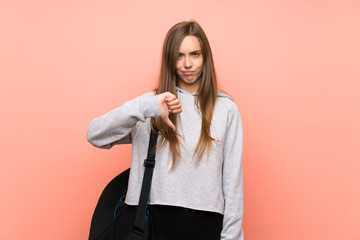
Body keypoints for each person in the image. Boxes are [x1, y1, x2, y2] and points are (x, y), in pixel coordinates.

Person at [87, 21, 244, 240]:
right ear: (169, 59)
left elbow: (232, 183)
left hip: (205, 226)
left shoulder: (226, 109)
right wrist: (148, 106)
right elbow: (95, 134)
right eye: (179, 55)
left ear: (205, 57)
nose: (187, 63)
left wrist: (232, 237)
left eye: (195, 54)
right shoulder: (152, 104)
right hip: (152, 224)